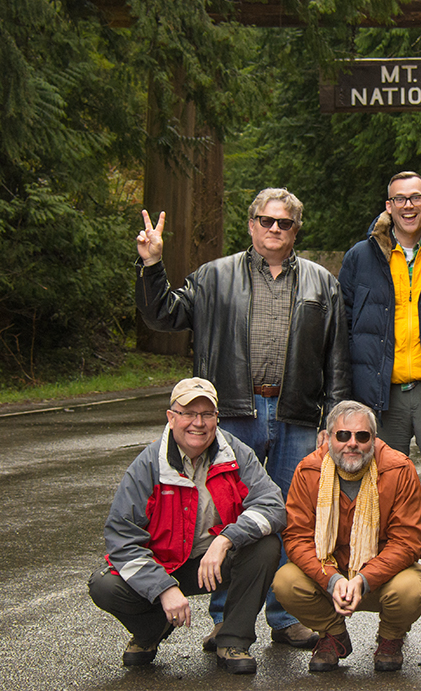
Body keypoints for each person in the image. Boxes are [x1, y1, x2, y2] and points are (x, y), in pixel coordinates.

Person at [135, 187, 350, 650]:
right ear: (251, 224)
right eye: (266, 221)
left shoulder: (321, 282)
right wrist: (152, 264)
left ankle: (285, 615)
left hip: (296, 414)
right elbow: (162, 315)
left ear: (296, 230)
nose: (275, 229)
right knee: (227, 517)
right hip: (231, 414)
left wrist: (331, 420)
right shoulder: (213, 277)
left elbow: (337, 357)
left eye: (285, 223)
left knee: (295, 519)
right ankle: (226, 620)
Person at [338, 170, 421, 605]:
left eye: (416, 198)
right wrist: (342, 404)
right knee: (373, 507)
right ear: (388, 206)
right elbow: (342, 328)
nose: (409, 206)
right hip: (380, 399)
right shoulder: (362, 257)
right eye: (400, 199)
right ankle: (382, 614)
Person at [89, 378, 285, 675]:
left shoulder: (235, 453)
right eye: (188, 413)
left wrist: (226, 540)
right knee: (103, 585)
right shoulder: (147, 465)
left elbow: (273, 506)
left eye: (207, 414)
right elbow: (121, 538)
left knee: (266, 546)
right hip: (163, 565)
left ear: (217, 419)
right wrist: (163, 588)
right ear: (171, 417)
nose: (199, 423)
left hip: (215, 562)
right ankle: (150, 632)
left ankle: (233, 640)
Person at [272, 400, 421, 673]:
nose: (352, 443)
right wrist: (331, 579)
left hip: (379, 577)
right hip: (330, 574)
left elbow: (408, 540)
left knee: (410, 590)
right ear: (329, 437)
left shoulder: (399, 469)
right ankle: (332, 635)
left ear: (374, 439)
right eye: (343, 435)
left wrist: (364, 579)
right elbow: (297, 538)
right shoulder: (308, 470)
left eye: (362, 436)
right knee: (286, 581)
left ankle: (390, 638)